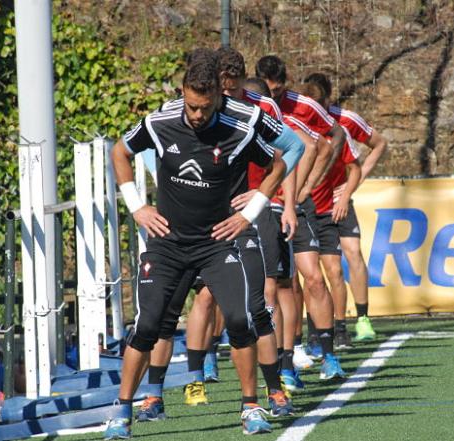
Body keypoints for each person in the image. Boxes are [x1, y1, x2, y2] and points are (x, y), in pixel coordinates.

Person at [104, 57, 304, 439]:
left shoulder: (239, 126)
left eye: (205, 106)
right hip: (168, 243)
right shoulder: (160, 122)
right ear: (183, 94)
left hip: (217, 242)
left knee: (242, 319)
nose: (197, 114)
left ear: (218, 98)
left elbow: (279, 162)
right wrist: (137, 206)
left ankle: (252, 405)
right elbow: (120, 152)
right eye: (192, 105)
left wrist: (254, 208)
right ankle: (122, 412)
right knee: (147, 325)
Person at [256, 56, 347, 380]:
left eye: (278, 88)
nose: (274, 94)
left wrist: (307, 186)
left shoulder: (303, 107)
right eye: (269, 89)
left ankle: (329, 354)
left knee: (314, 277)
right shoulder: (253, 109)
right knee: (283, 284)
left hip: (296, 204)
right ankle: (286, 361)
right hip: (266, 206)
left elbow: (325, 141)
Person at [304, 72, 389, 342]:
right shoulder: (302, 120)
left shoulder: (346, 120)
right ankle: (317, 328)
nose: (316, 110)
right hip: (312, 201)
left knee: (352, 252)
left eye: (321, 103)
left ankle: (362, 318)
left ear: (329, 99)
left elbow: (379, 144)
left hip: (340, 197)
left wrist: (353, 185)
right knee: (314, 267)